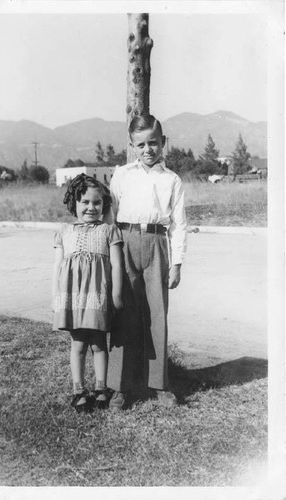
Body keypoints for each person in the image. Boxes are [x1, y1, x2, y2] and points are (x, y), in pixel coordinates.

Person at [107, 114, 187, 410]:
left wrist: (176, 263)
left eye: (153, 142)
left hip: (157, 244)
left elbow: (179, 224)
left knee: (157, 314)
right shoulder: (122, 174)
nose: (148, 149)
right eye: (141, 145)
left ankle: (159, 384)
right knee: (123, 312)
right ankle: (120, 386)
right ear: (132, 146)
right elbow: (110, 216)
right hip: (125, 242)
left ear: (162, 142)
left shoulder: (172, 180)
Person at [52, 174, 123, 412]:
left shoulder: (109, 231)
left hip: (99, 296)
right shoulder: (64, 231)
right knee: (79, 343)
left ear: (104, 205)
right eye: (85, 202)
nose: (91, 207)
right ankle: (78, 390)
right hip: (73, 298)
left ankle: (101, 388)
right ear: (74, 203)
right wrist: (56, 297)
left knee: (99, 344)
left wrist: (116, 295)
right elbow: (57, 267)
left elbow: (117, 266)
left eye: (97, 203)